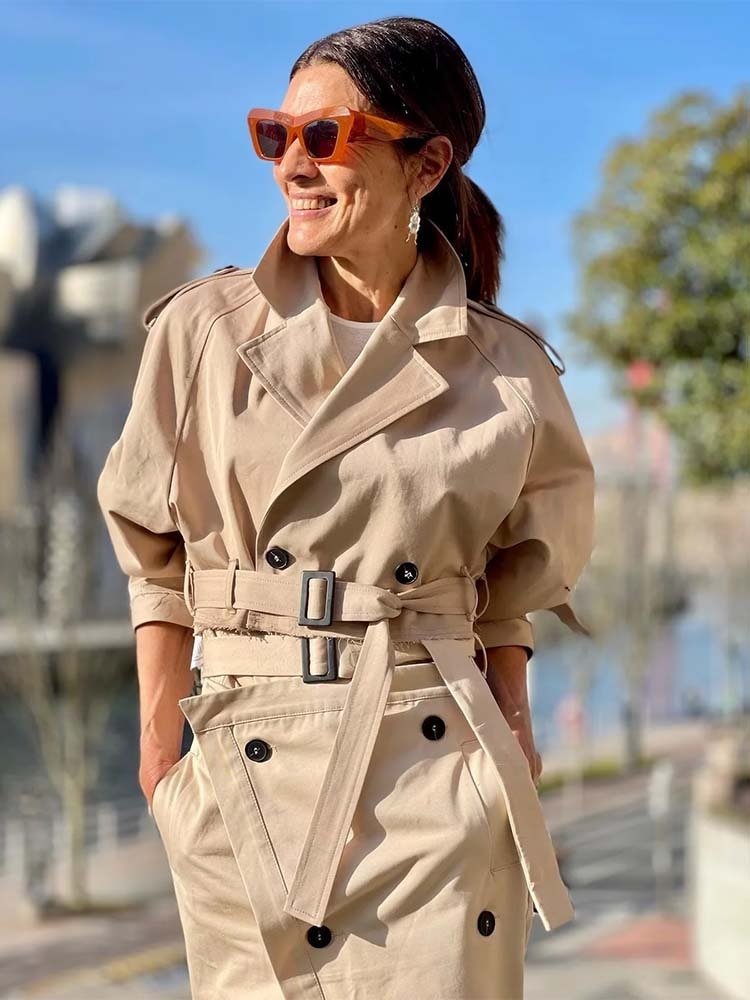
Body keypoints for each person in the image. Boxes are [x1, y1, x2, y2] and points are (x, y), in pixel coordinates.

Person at [97, 15, 595, 1000]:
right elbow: (152, 550)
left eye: (324, 136)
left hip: (433, 782)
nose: (293, 163)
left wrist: (510, 737)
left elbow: (514, 587)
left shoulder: (508, 370)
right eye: (275, 134)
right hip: (245, 776)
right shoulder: (201, 333)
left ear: (426, 164)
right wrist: (162, 756)